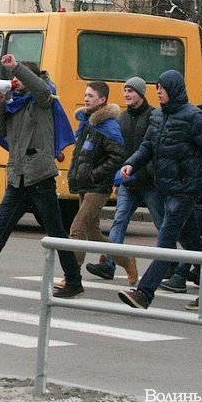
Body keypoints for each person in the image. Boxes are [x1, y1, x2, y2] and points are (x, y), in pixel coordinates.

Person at [0, 54, 83, 299]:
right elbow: (0, 132)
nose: (13, 82)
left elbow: (40, 88)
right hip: (18, 177)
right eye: (12, 78)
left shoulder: (43, 99)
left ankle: (73, 280)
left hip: (39, 177)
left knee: (56, 231)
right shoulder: (14, 103)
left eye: (17, 78)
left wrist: (18, 67)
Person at [117, 70, 202, 312]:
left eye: (162, 88)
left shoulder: (194, 118)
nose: (158, 92)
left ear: (174, 89)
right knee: (192, 242)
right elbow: (147, 146)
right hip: (167, 188)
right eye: (157, 88)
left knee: (166, 239)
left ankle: (144, 293)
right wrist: (131, 163)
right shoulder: (157, 116)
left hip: (187, 189)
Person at [87, 76, 161, 285]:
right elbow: (119, 151)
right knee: (119, 221)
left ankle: (169, 264)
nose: (127, 95)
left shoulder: (153, 116)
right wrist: (119, 178)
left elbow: (153, 149)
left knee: (161, 223)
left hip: (149, 183)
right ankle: (109, 263)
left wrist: (146, 171)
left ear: (141, 94)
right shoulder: (122, 117)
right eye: (125, 91)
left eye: (131, 91)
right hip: (128, 181)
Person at [66, 81, 129, 278]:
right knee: (93, 234)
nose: (86, 98)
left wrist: (95, 174)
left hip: (98, 187)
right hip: (85, 185)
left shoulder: (108, 126)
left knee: (77, 227)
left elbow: (117, 157)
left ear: (102, 100)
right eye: (85, 95)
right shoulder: (87, 122)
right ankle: (127, 261)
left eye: (91, 96)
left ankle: (72, 276)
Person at [160, 103, 202, 293]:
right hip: (193, 195)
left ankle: (149, 288)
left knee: (173, 238)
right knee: (193, 241)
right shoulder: (192, 131)